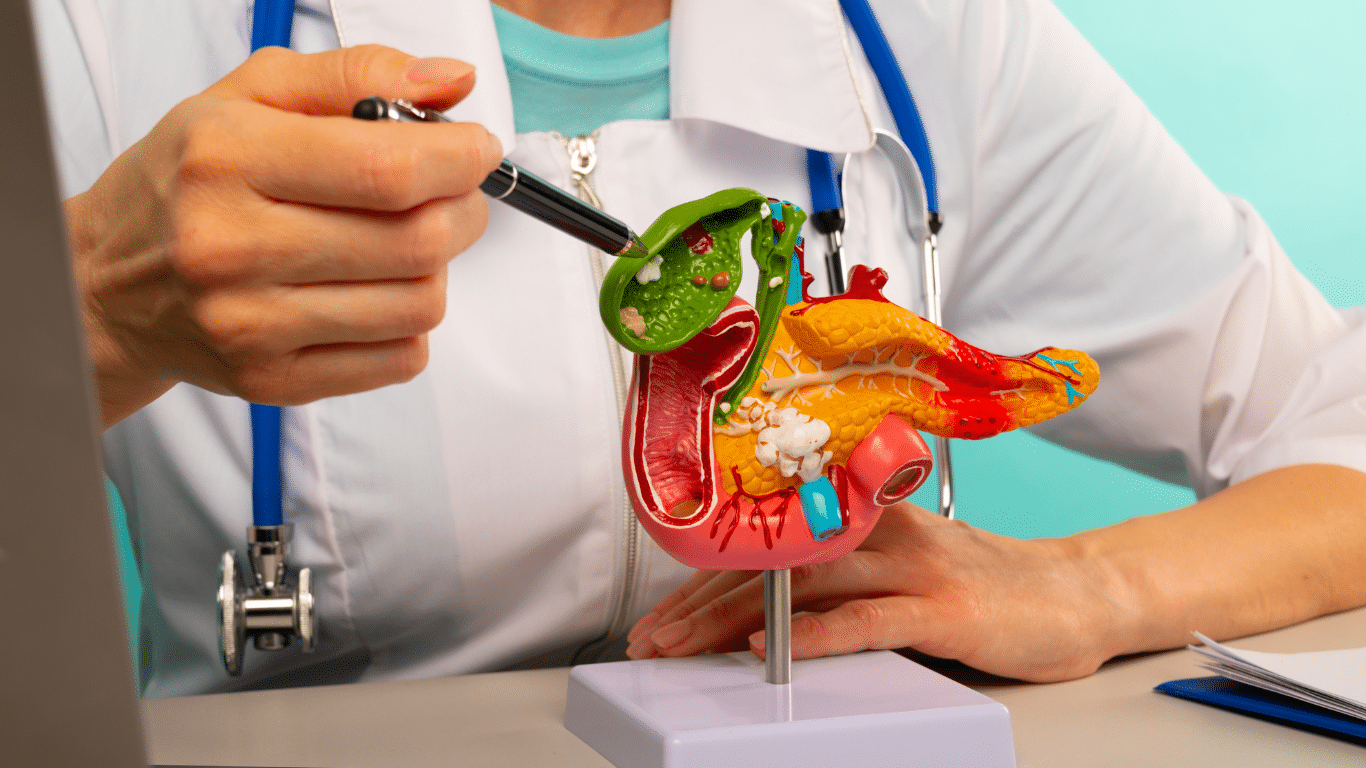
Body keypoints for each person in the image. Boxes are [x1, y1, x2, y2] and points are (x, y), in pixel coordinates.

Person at [35, 0, 1366, 696]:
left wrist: (1087, 588)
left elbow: (1338, 420)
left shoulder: (925, 34)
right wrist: (80, 311)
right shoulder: (88, 32)